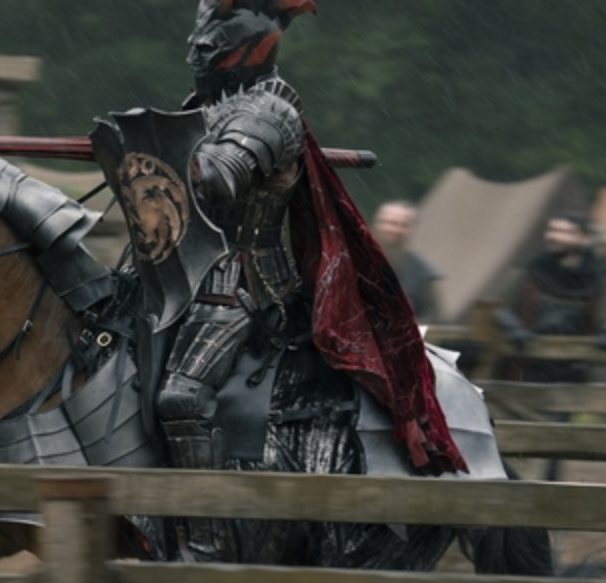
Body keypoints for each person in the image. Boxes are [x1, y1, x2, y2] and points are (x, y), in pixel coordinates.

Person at [93, 0, 465, 476]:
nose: (194, 54)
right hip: (173, 268)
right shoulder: (205, 107)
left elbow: (218, 178)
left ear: (245, 46)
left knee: (181, 398)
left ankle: (200, 512)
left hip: (239, 283)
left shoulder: (270, 110)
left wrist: (142, 153)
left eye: (206, 46)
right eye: (195, 43)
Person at [495, 211, 601, 480]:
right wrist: (513, 327)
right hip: (524, 371)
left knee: (555, 444)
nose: (554, 236)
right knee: (512, 443)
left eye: (564, 231)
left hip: (568, 376)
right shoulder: (530, 271)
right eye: (552, 230)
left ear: (584, 239)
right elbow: (497, 308)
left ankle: (546, 498)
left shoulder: (598, 279)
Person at [373, 200, 440, 322]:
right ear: (378, 225)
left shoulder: (422, 272)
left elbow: (433, 317)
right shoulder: (353, 259)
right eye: (390, 223)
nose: (395, 230)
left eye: (403, 225)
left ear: (411, 229)